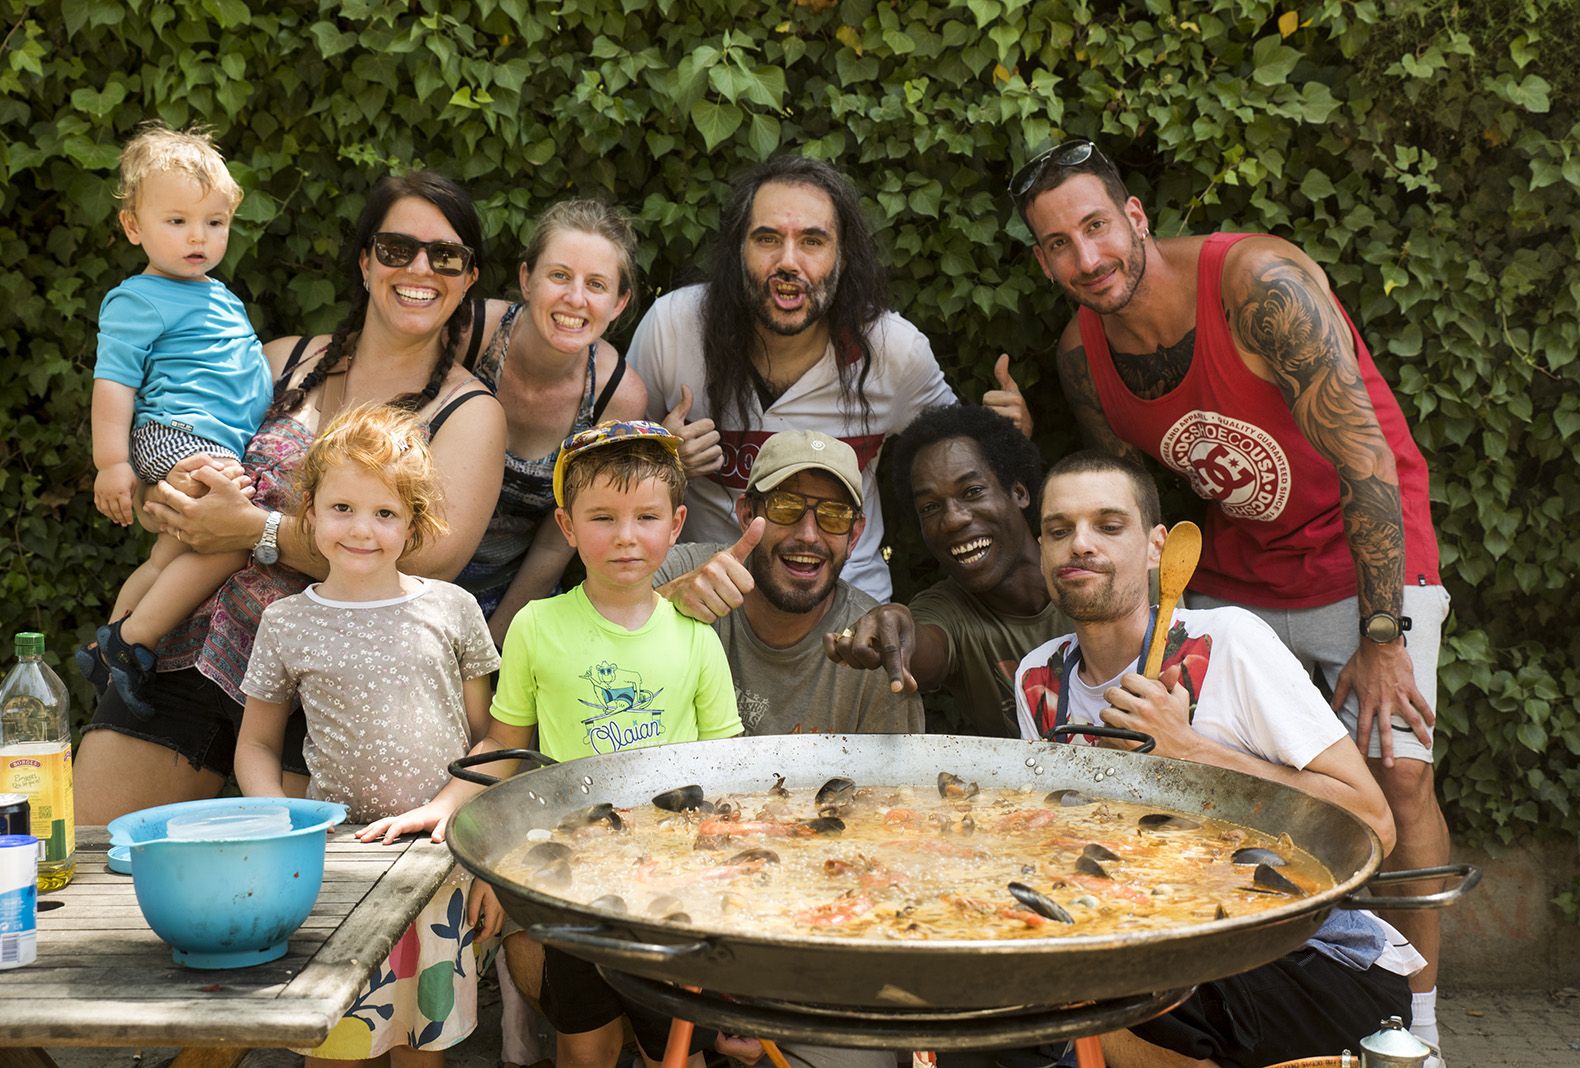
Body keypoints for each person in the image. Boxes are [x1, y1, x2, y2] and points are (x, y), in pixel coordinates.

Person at [1013, 139, 1450, 1041]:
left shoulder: (1259, 283)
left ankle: (1420, 1026)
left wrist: (1383, 633)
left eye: (1097, 227)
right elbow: (1134, 501)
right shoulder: (1080, 357)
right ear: (1041, 258)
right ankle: (1257, 978)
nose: (1085, 259)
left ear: (1135, 217)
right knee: (1228, 774)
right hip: (1230, 572)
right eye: (1058, 244)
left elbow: (1365, 456)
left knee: (1397, 782)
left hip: (1362, 557)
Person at [75, 170, 507, 826]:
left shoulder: (468, 412)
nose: (420, 268)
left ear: (468, 278)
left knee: (318, 915)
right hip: (190, 646)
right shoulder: (282, 359)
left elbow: (430, 562)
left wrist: (252, 529)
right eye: (396, 249)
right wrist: (160, 491)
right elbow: (183, 428)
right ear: (365, 262)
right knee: (95, 851)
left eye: (445, 256)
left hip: (337, 688)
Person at [1013, 452, 1424, 1068]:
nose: (1081, 545)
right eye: (1059, 529)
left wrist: (1192, 753)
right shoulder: (1039, 680)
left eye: (1108, 524)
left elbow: (1375, 824)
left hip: (1310, 962)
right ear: (1041, 548)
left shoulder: (1228, 642)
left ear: (1156, 547)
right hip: (1149, 952)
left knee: (1105, 1000)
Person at [235, 404, 503, 1065]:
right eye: (343, 508)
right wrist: (282, 821)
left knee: (422, 1045)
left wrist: (479, 855)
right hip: (335, 868)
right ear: (312, 514)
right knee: (334, 1048)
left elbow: (490, 742)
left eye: (385, 513)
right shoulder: (288, 622)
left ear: (413, 523)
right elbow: (255, 745)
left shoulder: (452, 609)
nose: (362, 529)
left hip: (435, 867)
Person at [484, 420, 742, 1068]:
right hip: (575, 881)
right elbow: (507, 751)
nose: (626, 536)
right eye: (603, 517)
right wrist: (490, 864)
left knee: (676, 1051)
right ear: (568, 527)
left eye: (646, 516)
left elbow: (731, 773)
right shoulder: (536, 627)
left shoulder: (696, 638)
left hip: (676, 891)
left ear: (676, 522)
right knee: (585, 1044)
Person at [627, 155, 969, 603]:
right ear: (738, 252)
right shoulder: (674, 327)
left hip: (845, 603)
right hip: (703, 599)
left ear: (843, 258)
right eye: (767, 239)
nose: (788, 262)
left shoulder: (892, 350)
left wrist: (1004, 431)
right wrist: (663, 463)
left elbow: (963, 460)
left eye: (812, 241)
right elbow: (605, 477)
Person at [80, 122, 273, 716]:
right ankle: (132, 643)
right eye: (178, 221)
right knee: (231, 542)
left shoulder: (218, 294)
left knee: (171, 556)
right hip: (177, 434)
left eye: (214, 223)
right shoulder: (139, 298)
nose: (199, 237)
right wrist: (112, 463)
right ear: (133, 227)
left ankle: (104, 649)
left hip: (212, 439)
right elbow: (113, 384)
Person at [456, 198, 648, 645]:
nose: (575, 298)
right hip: (411, 566)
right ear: (527, 279)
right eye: (559, 275)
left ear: (618, 303)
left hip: (516, 593)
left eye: (596, 284)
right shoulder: (471, 333)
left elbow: (557, 537)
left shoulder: (616, 395)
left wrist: (497, 641)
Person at [657, 430, 923, 737]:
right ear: (746, 514)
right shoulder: (679, 573)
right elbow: (591, 641)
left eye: (834, 515)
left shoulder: (872, 651)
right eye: (785, 507)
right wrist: (664, 602)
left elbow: (895, 785)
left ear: (853, 536)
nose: (809, 535)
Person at [825, 404, 1068, 738]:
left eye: (972, 492)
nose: (953, 519)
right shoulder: (948, 610)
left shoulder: (1093, 571)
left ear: (1019, 492)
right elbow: (923, 644)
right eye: (930, 507)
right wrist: (894, 628)